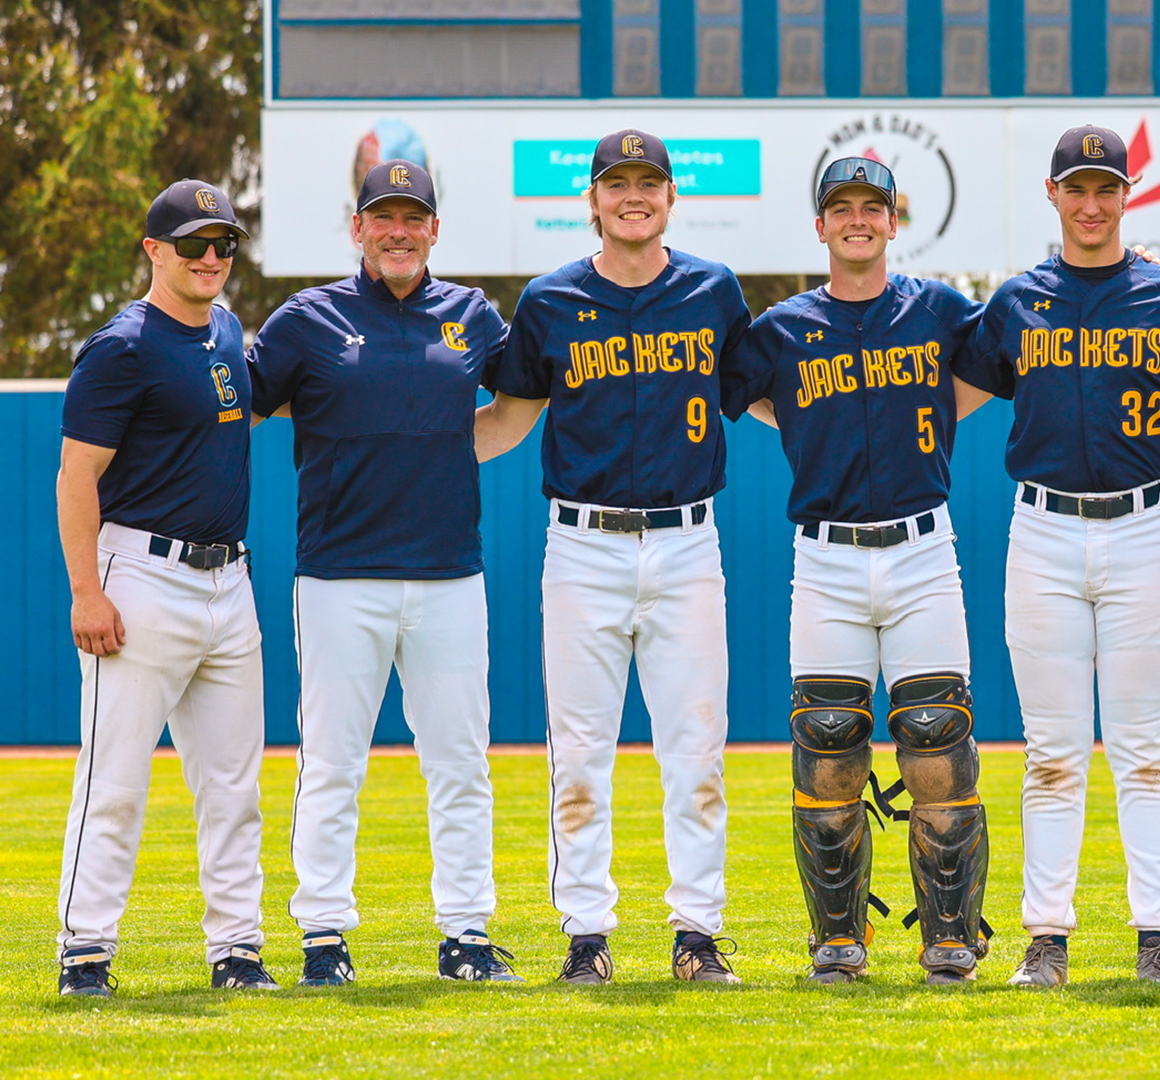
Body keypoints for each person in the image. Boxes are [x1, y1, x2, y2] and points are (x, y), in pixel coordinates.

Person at [951, 124, 1160, 987]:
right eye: (1076, 186)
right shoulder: (1015, 302)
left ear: (1127, 194)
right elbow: (942, 401)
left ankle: (1157, 935)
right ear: (1053, 195)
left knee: (1146, 745)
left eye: (1106, 186)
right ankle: (1048, 937)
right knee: (1052, 751)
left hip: (1148, 524)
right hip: (1042, 529)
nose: (1092, 201)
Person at [476, 129, 750, 985]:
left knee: (697, 750)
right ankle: (587, 935)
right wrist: (397, 443)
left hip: (687, 541)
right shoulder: (550, 302)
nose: (634, 196)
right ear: (591, 200)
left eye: (649, 182)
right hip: (583, 545)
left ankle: (696, 933)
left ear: (672, 196)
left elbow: (770, 396)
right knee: (581, 749)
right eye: (617, 183)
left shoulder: (714, 292)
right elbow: (509, 420)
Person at [247, 161, 519, 985]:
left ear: (435, 229)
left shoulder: (473, 315)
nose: (398, 230)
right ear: (358, 228)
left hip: (448, 574)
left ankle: (466, 935)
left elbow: (520, 400)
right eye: (382, 216)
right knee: (331, 762)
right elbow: (246, 403)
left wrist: (451, 446)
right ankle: (324, 938)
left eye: (414, 217)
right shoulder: (307, 319)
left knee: (461, 762)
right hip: (339, 577)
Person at [734, 157, 996, 985]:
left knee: (936, 741)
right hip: (825, 555)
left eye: (871, 208)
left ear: (893, 221)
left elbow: (992, 373)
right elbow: (744, 393)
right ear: (820, 226)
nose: (857, 219)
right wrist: (809, 425)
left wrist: (930, 415)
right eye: (840, 208)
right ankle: (838, 941)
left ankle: (950, 937)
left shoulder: (939, 310)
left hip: (921, 549)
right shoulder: (781, 329)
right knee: (827, 746)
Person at [54, 180, 276, 996]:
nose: (212, 258)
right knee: (113, 779)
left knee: (233, 787)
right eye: (194, 244)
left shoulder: (224, 328)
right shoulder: (122, 345)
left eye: (224, 244)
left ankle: (239, 951)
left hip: (228, 579)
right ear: (155, 251)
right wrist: (87, 591)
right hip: (141, 575)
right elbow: (77, 474)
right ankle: (85, 952)